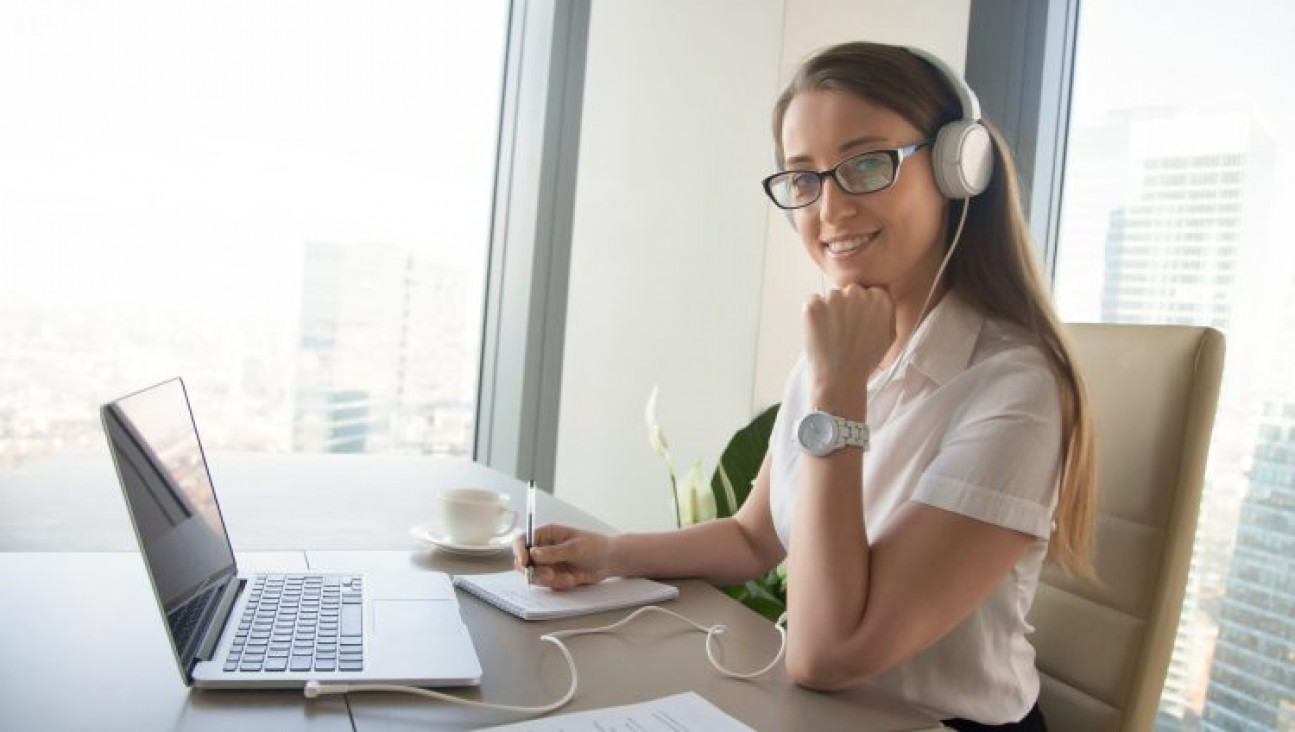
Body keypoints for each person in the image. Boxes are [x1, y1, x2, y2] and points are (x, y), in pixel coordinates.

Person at [513, 41, 1095, 731]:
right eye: (804, 178)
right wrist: (609, 554)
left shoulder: (1013, 390)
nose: (830, 208)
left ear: (955, 167)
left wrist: (839, 387)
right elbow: (752, 537)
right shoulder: (837, 354)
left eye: (866, 163)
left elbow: (827, 653)